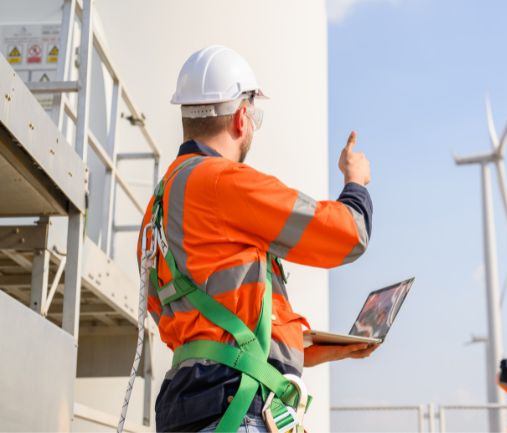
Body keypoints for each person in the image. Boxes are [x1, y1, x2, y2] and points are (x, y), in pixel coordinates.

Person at [137, 45, 378, 432]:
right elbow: (348, 234)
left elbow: (189, 326)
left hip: (187, 409)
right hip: (237, 406)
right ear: (240, 118)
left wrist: (318, 347)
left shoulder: (158, 209)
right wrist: (356, 182)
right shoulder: (223, 183)